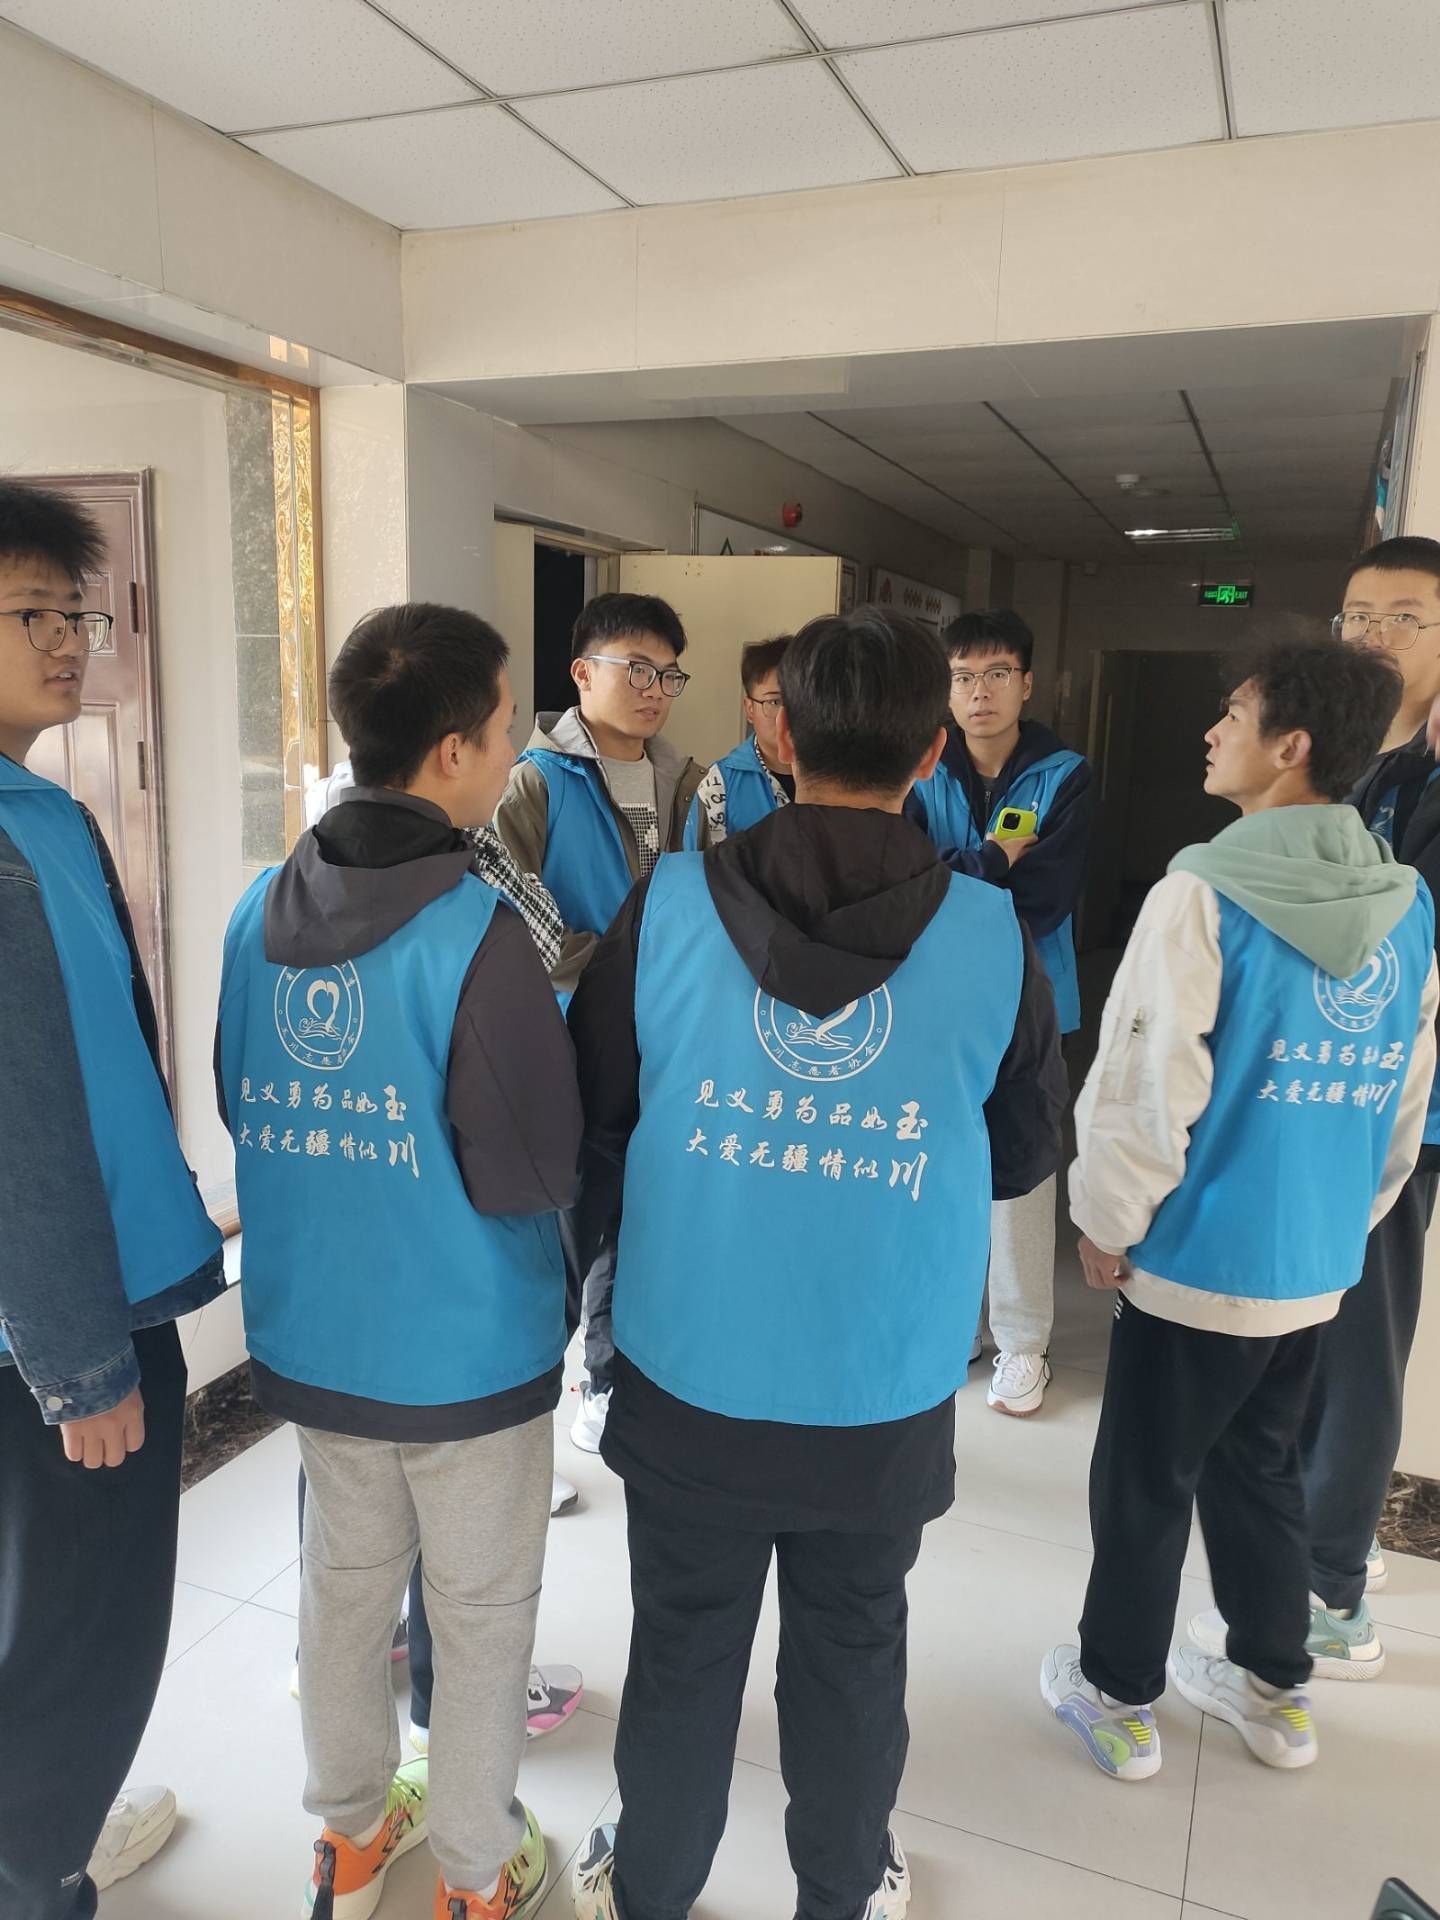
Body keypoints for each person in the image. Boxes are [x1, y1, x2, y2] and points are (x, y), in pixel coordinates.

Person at [566, 606, 1066, 1920]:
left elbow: (594, 1127)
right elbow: (1023, 1154)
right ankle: (842, 1893)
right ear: (930, 752)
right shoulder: (991, 935)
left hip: (687, 1368)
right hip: (878, 1383)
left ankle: (650, 1887)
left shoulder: (669, 903)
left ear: (780, 738)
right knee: (851, 1654)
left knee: (682, 1650)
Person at [218, 604, 581, 1920]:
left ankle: (352, 1839)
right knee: (478, 1619)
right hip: (466, 1356)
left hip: (319, 1343)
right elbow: (534, 1165)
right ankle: (478, 1876)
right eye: (504, 725)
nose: (514, 748)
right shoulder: (477, 934)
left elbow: (239, 1096)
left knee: (342, 1591)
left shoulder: (256, 911)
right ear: (450, 753)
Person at [1046, 636, 1436, 1782]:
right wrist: (1346, 1223)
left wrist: (1106, 1221)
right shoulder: (1406, 902)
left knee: (1145, 1481)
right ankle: (1276, 1690)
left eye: (1235, 713)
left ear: (1291, 745)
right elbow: (1405, 1096)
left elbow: (1145, 1084)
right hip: (1314, 1261)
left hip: (1197, 1260)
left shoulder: (1203, 893)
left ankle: (1118, 1693)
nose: (1212, 732)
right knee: (1263, 1469)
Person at [0, 481, 225, 1920]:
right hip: (60, 1322)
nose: (67, 642)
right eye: (31, 613)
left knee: (42, 1623)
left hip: (75, 1294)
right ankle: (39, 1872)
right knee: (84, 1641)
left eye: (73, 615)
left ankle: (45, 1834)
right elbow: (16, 1124)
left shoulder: (53, 817)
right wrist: (82, 1364)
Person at [1262, 532, 1440, 1676]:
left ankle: (1331, 1593)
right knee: (1327, 1332)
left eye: (1404, 618)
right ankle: (1323, 1537)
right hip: (1339, 1087)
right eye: (1357, 618)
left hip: (1403, 1108)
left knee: (1364, 1341)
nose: (1373, 637)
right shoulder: (1372, 762)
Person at [494, 592, 704, 1456]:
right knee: (570, 1227)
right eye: (637, 669)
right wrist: (618, 971)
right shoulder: (536, 781)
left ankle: (612, 1378)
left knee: (646, 1216)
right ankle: (527, 1413)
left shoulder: (688, 783)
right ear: (582, 673)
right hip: (573, 1040)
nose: (656, 690)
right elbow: (513, 913)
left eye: (669, 675)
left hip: (669, 1037)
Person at [908, 610, 1094, 1418]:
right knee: (947, 1163)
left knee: (1023, 1162)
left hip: (1032, 999)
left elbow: (1047, 897)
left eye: (995, 675)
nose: (978, 692)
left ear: (1027, 683)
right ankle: (963, 1323)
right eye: (962, 677)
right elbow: (907, 885)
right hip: (941, 996)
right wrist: (990, 862)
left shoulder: (1066, 775)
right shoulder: (922, 768)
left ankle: (1023, 1341)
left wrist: (953, 878)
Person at [684, 632, 794, 847]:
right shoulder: (718, 784)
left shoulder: (837, 777)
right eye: (774, 702)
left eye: (800, 699)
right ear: (750, 709)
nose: (787, 715)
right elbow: (699, 862)